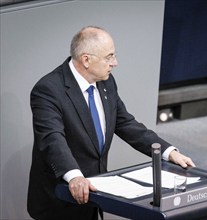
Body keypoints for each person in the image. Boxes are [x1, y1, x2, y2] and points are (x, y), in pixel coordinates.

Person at [27, 26, 195, 220]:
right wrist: (74, 176)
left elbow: (125, 123)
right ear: (86, 60)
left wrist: (167, 152)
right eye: (109, 57)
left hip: (93, 194)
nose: (115, 63)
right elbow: (52, 139)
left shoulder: (106, 82)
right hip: (61, 200)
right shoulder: (48, 90)